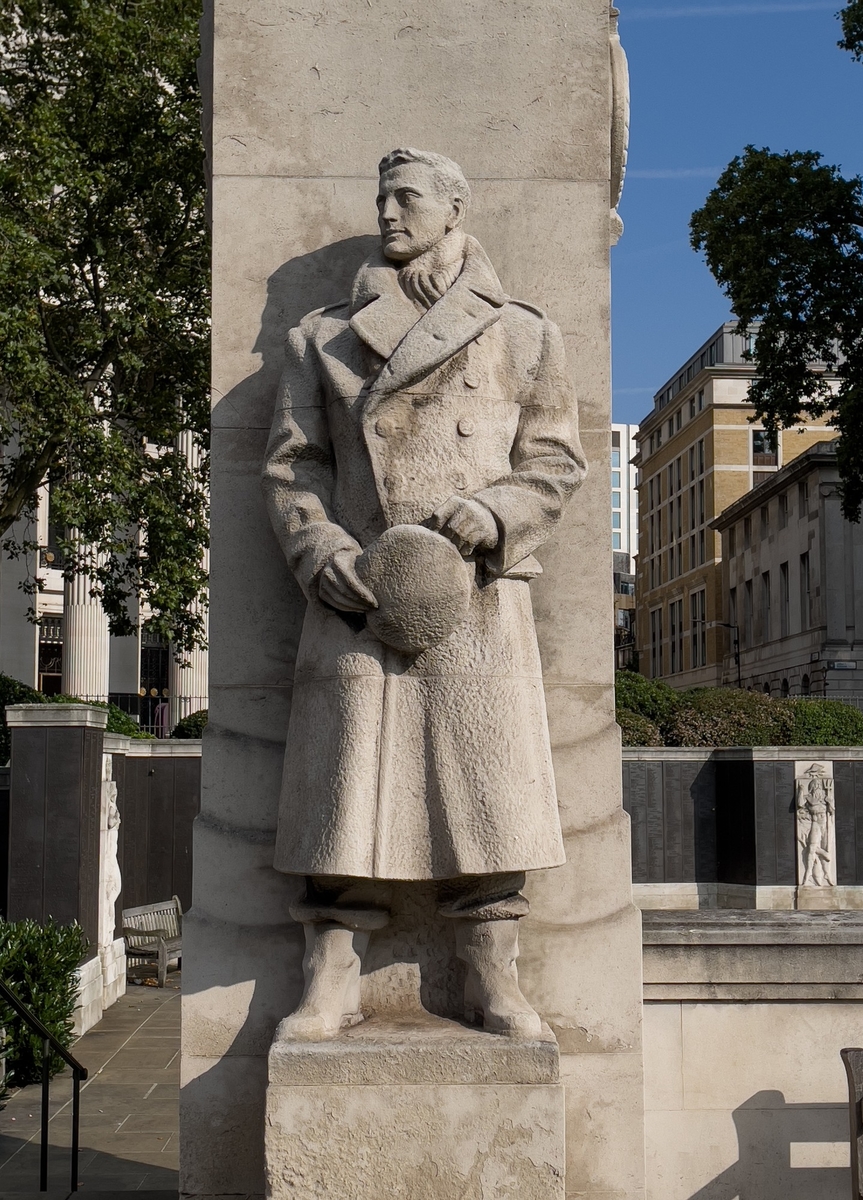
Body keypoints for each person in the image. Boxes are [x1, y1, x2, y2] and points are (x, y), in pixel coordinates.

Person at [262, 148, 586, 1040]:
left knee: (489, 796)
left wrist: (495, 513)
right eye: (379, 197)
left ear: (454, 207)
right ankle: (330, 977)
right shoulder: (320, 335)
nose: (388, 212)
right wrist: (320, 549)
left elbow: (555, 463)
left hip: (473, 593)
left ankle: (492, 975)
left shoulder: (522, 332)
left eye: (406, 197)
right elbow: (294, 467)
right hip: (361, 595)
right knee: (345, 798)